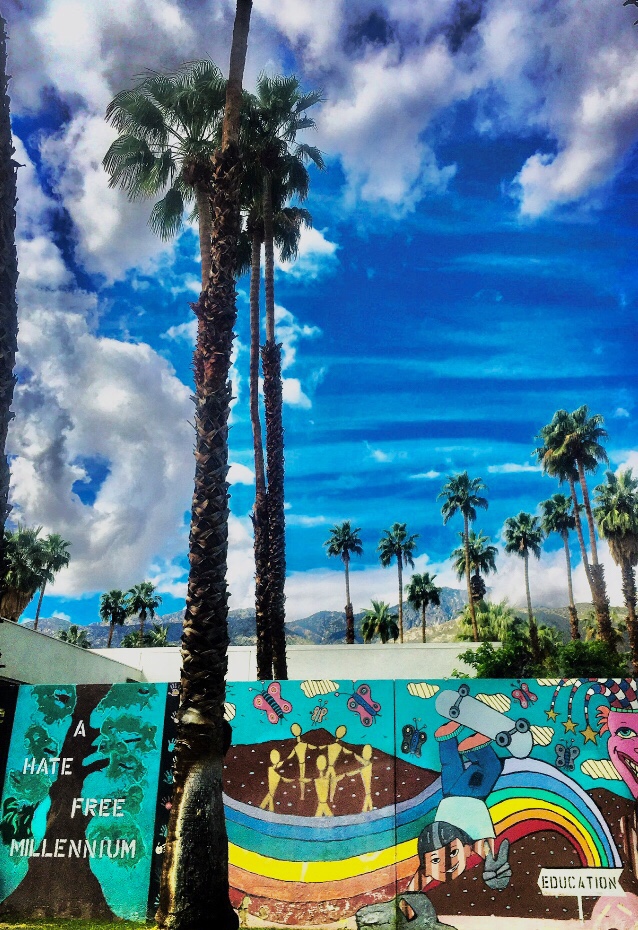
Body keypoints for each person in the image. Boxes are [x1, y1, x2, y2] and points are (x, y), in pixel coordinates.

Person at [412, 722, 511, 891]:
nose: (446, 864)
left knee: (492, 767)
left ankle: (475, 748)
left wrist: (491, 865)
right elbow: (419, 880)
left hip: (470, 795)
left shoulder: (471, 841)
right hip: (449, 795)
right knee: (451, 766)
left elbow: (485, 847)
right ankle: (447, 739)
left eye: (436, 861)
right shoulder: (463, 842)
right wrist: (492, 869)